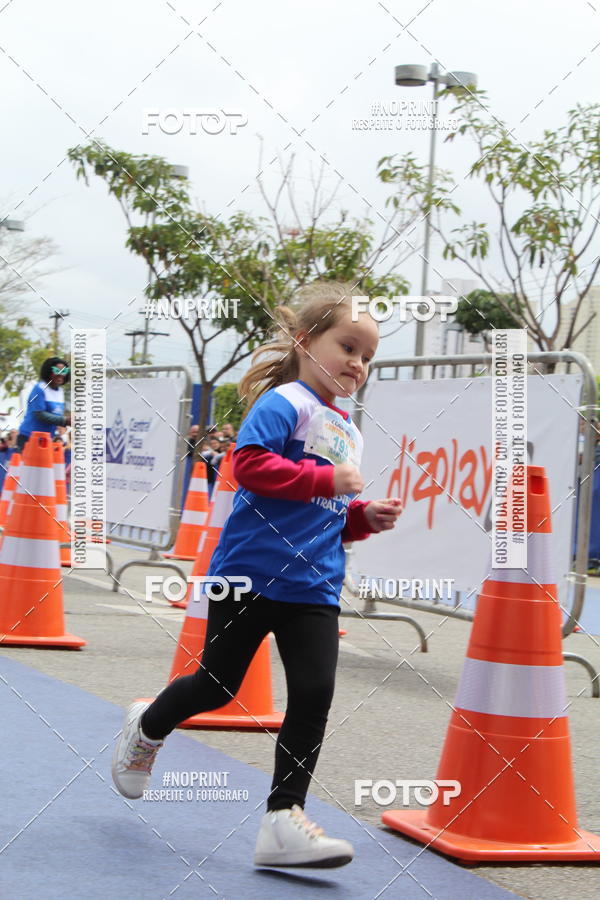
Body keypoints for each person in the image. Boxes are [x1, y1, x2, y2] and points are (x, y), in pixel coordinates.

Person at [111, 283, 403, 868]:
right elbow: (248, 467)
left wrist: (362, 519)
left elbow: (325, 518)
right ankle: (147, 725)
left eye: (368, 356)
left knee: (315, 694)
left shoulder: (350, 431)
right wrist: (326, 481)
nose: (358, 363)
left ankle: (282, 819)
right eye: (348, 346)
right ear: (304, 342)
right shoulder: (285, 403)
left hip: (314, 586)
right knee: (218, 686)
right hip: (247, 576)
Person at [17, 357, 71, 453]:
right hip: (29, 437)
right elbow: (40, 414)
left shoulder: (61, 392)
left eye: (64, 371)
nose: (60, 374)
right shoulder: (40, 388)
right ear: (49, 372)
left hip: (46, 440)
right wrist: (65, 420)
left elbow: (57, 416)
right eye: (56, 370)